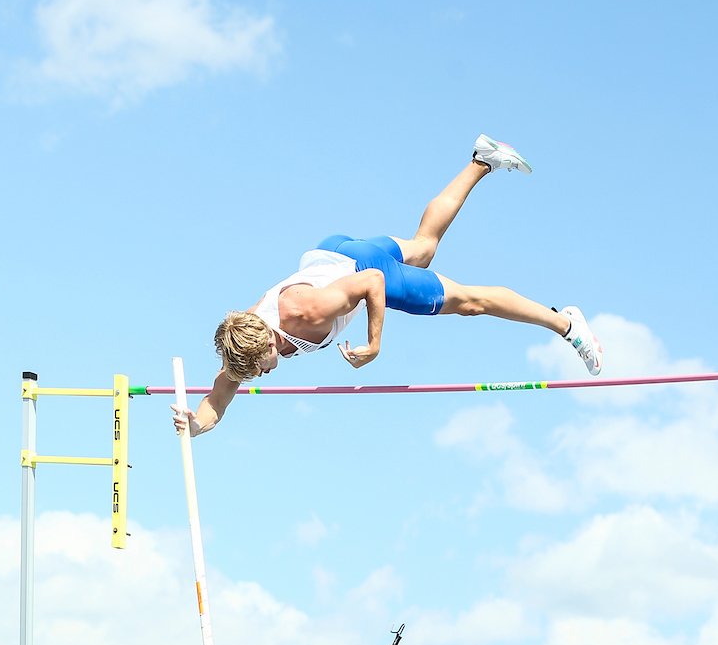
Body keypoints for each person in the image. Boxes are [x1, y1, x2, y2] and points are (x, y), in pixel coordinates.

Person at [172, 135, 602, 436]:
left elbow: (373, 282)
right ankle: (483, 159)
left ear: (269, 340)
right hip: (329, 253)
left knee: (472, 302)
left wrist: (374, 343)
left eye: (260, 367)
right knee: (423, 247)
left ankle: (564, 324)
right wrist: (196, 425)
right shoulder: (242, 348)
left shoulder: (310, 311)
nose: (259, 376)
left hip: (359, 269)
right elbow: (217, 400)